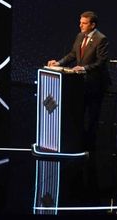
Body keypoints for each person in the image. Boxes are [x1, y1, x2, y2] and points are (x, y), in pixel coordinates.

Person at [47, 11, 109, 143]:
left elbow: (101, 62)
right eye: (80, 22)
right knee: (79, 111)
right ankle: (78, 140)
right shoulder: (80, 35)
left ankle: (91, 144)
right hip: (80, 83)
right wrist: (58, 63)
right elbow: (72, 54)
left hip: (95, 83)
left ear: (92, 25)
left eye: (84, 23)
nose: (80, 25)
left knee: (93, 115)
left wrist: (84, 68)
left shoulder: (101, 39)